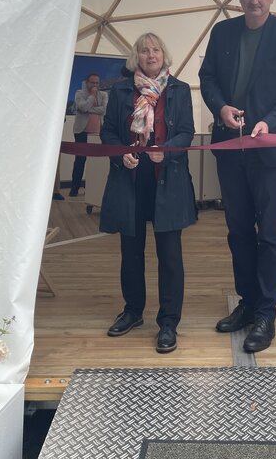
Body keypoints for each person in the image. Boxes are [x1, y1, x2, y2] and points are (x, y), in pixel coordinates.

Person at [199, 0, 276, 353]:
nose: (254, 0)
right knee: (239, 230)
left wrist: (270, 122)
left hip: (270, 149)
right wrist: (221, 107)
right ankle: (247, 302)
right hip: (231, 148)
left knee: (271, 233)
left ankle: (266, 313)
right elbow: (208, 78)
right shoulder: (222, 33)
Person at [100, 33, 196, 354]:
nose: (151, 55)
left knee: (169, 255)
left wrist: (165, 152)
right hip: (130, 179)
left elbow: (186, 132)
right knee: (130, 251)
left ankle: (168, 322)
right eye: (144, 50)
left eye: (156, 50)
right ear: (136, 57)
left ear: (163, 55)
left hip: (166, 179)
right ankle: (132, 311)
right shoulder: (121, 90)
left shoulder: (179, 89)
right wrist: (121, 154)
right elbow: (108, 132)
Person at [66, 73, 108, 199]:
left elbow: (104, 110)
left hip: (98, 132)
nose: (95, 85)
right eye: (92, 82)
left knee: (97, 161)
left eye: (97, 83)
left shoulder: (104, 95)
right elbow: (83, 107)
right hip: (81, 131)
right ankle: (74, 189)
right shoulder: (80, 93)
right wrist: (91, 97)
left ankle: (94, 190)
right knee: (80, 160)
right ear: (87, 83)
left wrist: (89, 108)